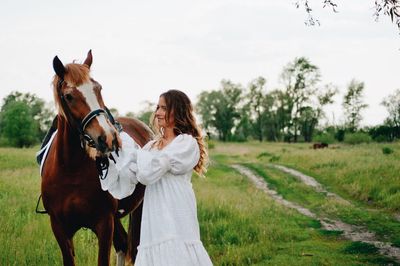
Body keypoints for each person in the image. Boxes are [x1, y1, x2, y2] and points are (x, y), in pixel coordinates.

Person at [99, 89, 213, 266]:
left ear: (179, 111)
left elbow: (148, 172)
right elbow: (128, 180)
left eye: (164, 108)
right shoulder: (151, 147)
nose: (158, 112)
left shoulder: (185, 143)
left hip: (176, 211)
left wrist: (130, 148)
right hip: (155, 218)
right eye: (157, 107)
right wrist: (110, 158)